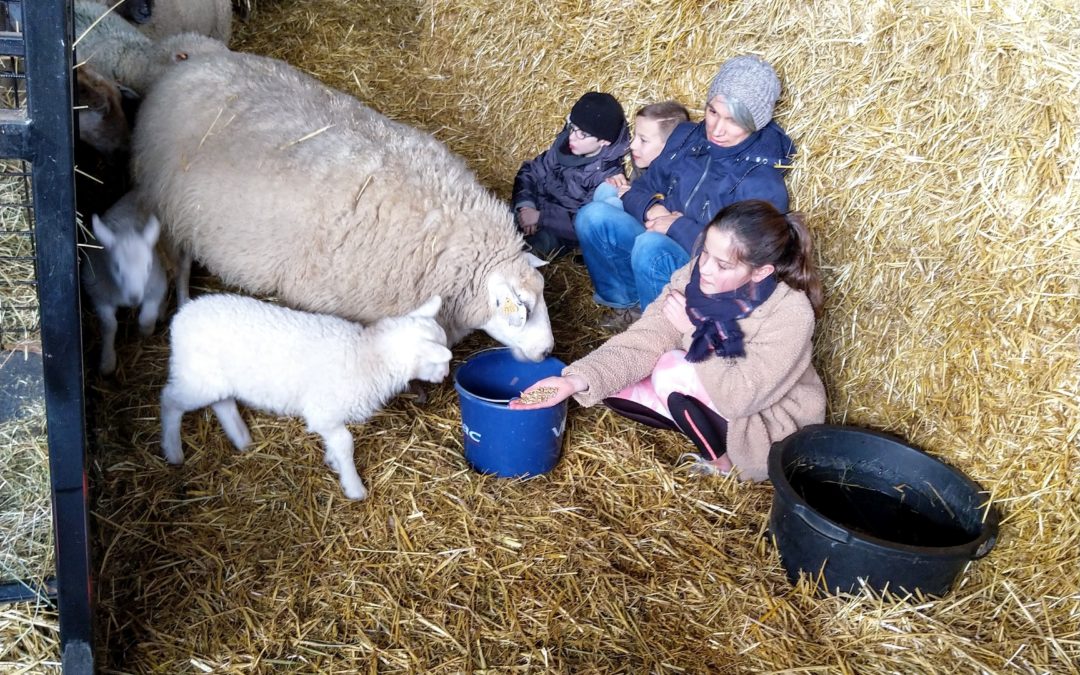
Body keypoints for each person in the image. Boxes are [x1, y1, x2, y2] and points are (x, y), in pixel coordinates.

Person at [510, 200, 825, 480]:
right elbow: (647, 337)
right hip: (717, 386)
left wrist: (694, 329)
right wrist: (574, 381)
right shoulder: (694, 277)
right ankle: (697, 421)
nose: (706, 270)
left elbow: (739, 396)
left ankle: (725, 462)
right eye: (705, 254)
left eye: (723, 264)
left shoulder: (789, 312)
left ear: (760, 272)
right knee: (608, 382)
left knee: (671, 369)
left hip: (768, 427)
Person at [576, 55, 796, 324]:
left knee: (650, 246)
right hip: (657, 228)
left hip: (703, 270)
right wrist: (651, 206)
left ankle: (655, 331)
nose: (716, 128)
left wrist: (677, 227)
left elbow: (747, 261)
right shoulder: (686, 137)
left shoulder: (761, 184)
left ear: (756, 123)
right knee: (593, 216)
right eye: (713, 111)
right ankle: (625, 306)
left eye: (733, 121)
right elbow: (643, 186)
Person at [576, 100, 690, 328]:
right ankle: (625, 301)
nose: (631, 146)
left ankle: (644, 312)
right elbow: (643, 193)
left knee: (597, 213)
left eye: (643, 140)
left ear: (672, 144)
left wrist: (646, 202)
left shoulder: (687, 168)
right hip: (652, 230)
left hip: (670, 251)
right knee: (606, 193)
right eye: (634, 137)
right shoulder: (654, 164)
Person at [512, 91, 630, 258]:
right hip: (533, 207)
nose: (572, 137)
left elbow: (583, 223)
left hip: (558, 231)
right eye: (572, 128)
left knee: (526, 253)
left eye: (582, 134)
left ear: (604, 141)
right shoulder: (563, 148)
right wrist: (526, 205)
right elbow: (530, 171)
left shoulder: (607, 177)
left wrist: (540, 218)